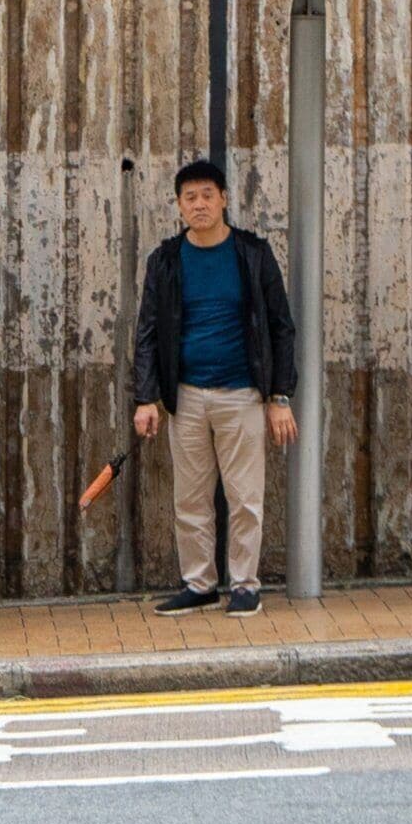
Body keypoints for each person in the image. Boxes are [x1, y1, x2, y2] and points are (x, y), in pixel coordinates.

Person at [130, 157, 299, 617]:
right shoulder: (165, 260)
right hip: (184, 397)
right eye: (190, 197)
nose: (199, 204)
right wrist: (146, 397)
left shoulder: (252, 254)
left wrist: (280, 397)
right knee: (190, 497)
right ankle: (199, 583)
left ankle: (245, 585)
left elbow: (281, 326)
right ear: (179, 206)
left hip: (242, 395)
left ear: (224, 199)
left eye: (208, 195)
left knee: (245, 496)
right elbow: (147, 331)